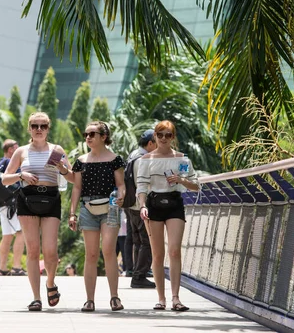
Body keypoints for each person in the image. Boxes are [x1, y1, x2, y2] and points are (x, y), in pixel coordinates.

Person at [2, 112, 74, 311]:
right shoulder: (21, 152)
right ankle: (36, 297)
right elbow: (4, 179)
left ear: (48, 129)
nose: (39, 129)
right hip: (27, 199)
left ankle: (50, 283)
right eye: (35, 126)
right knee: (32, 250)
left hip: (51, 198)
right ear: (29, 129)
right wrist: (20, 174)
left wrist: (63, 169)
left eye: (43, 126)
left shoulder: (57, 150)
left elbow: (73, 179)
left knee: (50, 251)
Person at [137, 121, 199, 312]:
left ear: (173, 137)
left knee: (174, 250)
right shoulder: (146, 159)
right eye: (160, 134)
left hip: (174, 205)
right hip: (154, 205)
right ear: (154, 136)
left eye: (168, 135)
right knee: (157, 254)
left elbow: (196, 185)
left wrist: (181, 180)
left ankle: (175, 298)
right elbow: (141, 186)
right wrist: (142, 206)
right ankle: (161, 298)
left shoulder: (182, 159)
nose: (163, 138)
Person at [69, 121, 126, 313]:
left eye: (92, 134)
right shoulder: (81, 161)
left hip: (110, 207)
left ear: (104, 137)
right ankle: (89, 300)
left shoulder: (115, 159)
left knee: (108, 250)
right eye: (86, 134)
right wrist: (72, 213)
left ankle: (114, 297)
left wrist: (122, 195)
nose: (88, 137)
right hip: (87, 208)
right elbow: (76, 187)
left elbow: (120, 184)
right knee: (91, 254)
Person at [126, 129, 157, 288]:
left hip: (131, 205)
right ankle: (139, 276)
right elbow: (144, 184)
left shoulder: (133, 155)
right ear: (150, 143)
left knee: (138, 241)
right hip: (141, 205)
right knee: (148, 242)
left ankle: (138, 274)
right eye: (157, 142)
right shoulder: (144, 159)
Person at [0, 139, 26, 276]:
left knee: (7, 236)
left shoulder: (0, 163)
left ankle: (2, 268)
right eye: (16, 147)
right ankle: (16, 267)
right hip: (12, 204)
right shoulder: (9, 163)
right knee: (20, 233)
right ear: (10, 150)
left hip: (3, 204)